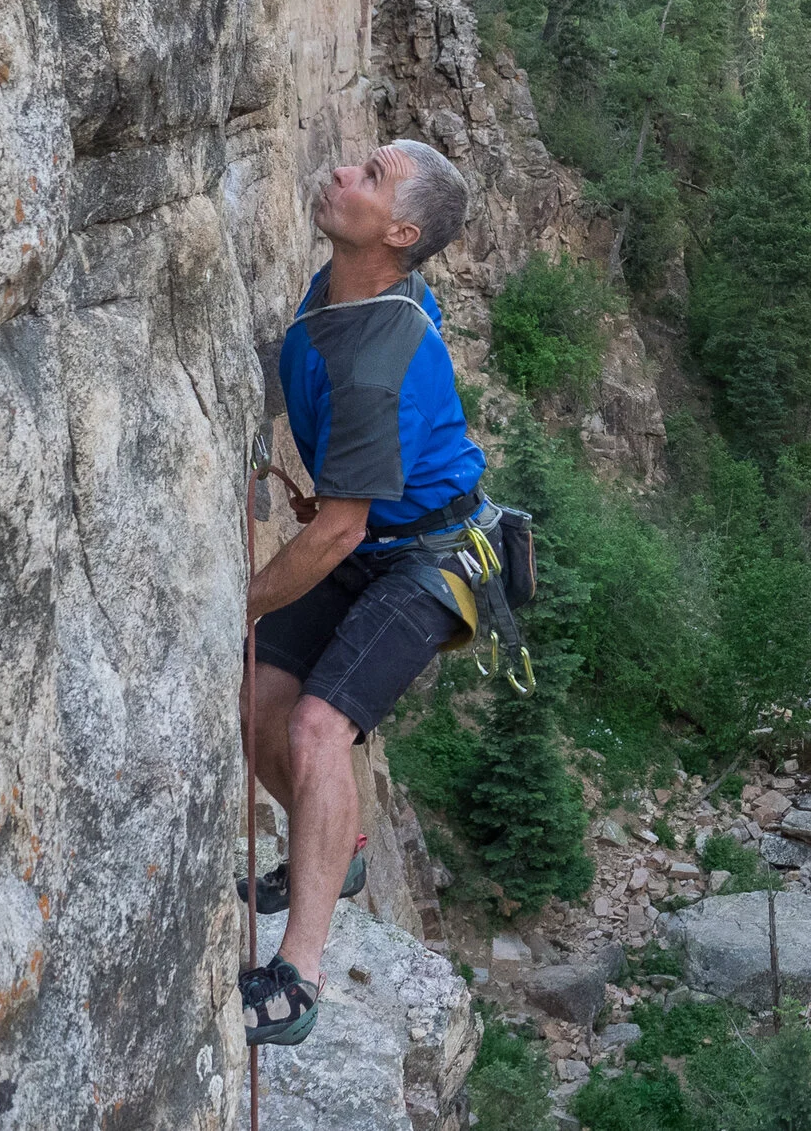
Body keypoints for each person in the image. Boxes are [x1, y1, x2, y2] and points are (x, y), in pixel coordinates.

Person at [237, 137, 486, 1047]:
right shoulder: (348, 280)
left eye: (371, 178)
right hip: (377, 533)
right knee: (258, 693)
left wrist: (246, 601)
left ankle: (297, 975)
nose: (343, 170)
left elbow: (338, 529)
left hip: (429, 558)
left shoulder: (380, 361)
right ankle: (329, 846)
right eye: (359, 162)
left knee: (315, 726)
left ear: (402, 230)